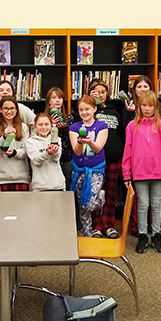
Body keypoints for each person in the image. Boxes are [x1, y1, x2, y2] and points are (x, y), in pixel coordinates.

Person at [122, 91, 161, 254]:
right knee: (143, 204)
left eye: (150, 105)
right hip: (140, 171)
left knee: (155, 204)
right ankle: (142, 235)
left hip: (159, 170)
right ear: (139, 106)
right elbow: (128, 150)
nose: (147, 109)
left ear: (155, 107)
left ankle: (156, 234)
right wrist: (127, 173)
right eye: (144, 105)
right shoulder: (132, 125)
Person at [89, 79, 125, 239]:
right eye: (95, 92)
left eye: (102, 92)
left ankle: (108, 225)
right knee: (95, 194)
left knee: (110, 193)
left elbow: (122, 133)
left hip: (113, 158)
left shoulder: (115, 111)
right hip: (94, 160)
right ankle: (96, 225)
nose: (99, 95)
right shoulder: (87, 112)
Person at [70, 96, 108, 237]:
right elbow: (77, 151)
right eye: (81, 110)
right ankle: (87, 236)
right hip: (78, 170)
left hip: (96, 170)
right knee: (82, 208)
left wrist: (89, 141)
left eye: (87, 109)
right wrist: (80, 142)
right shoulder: (74, 128)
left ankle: (100, 198)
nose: (84, 112)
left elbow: (98, 148)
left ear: (94, 109)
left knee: (89, 204)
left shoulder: (102, 126)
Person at [0, 81, 35, 163]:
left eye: (8, 90)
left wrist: (32, 143)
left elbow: (36, 123)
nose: (5, 92)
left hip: (18, 163)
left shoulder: (21, 109)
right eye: (1, 90)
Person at [0, 96, 31, 190]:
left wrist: (14, 153)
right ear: (0, 110)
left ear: (16, 110)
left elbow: (26, 152)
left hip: (20, 177)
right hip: (1, 178)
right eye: (6, 108)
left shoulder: (23, 127)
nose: (9, 111)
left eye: (12, 108)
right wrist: (3, 137)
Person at [25, 112, 66, 191]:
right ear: (35, 126)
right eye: (40, 125)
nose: (44, 127)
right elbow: (36, 160)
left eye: (46, 124)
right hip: (40, 187)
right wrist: (47, 153)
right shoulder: (30, 142)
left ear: (51, 126)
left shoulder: (57, 139)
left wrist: (54, 150)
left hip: (58, 185)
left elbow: (56, 158)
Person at [46, 87, 74, 185]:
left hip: (67, 158)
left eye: (60, 97)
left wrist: (64, 127)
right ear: (49, 101)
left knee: (68, 185)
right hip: (50, 158)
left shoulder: (69, 118)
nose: (57, 100)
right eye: (54, 97)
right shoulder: (44, 118)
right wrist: (52, 125)